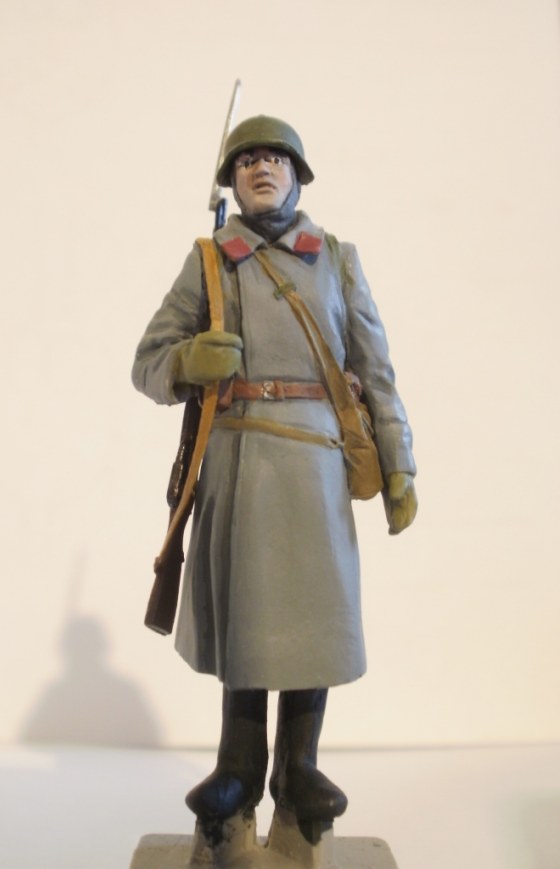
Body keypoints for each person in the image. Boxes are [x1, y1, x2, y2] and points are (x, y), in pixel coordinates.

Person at [132, 115, 417, 826]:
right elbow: (148, 360)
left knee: (313, 618)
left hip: (318, 465)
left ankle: (300, 766)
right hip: (240, 460)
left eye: (277, 159)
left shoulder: (337, 259)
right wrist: (189, 361)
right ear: (231, 180)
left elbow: (376, 370)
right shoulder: (210, 261)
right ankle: (238, 768)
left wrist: (400, 465)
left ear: (298, 175)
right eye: (248, 160)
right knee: (248, 619)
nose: (262, 169)